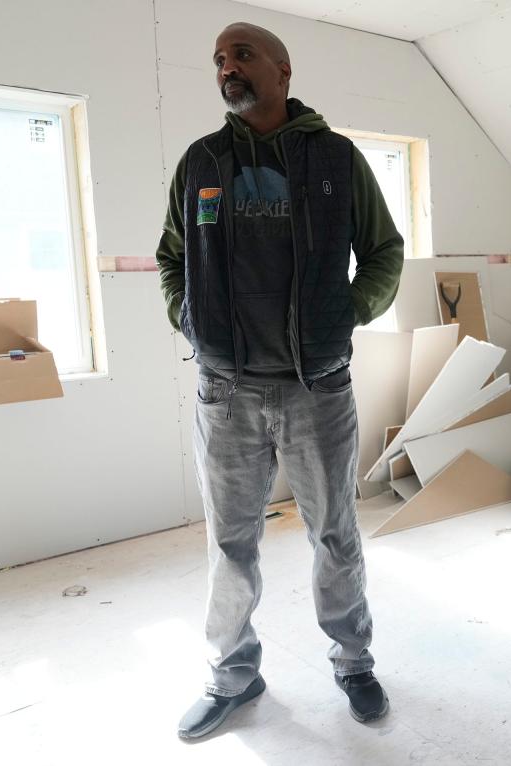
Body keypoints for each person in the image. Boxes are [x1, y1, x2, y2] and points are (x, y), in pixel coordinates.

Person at [155, 21, 404, 740]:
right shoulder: (201, 162)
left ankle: (353, 662)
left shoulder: (334, 159)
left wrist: (346, 314)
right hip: (225, 391)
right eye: (218, 60)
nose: (227, 67)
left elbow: (383, 251)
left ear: (282, 70)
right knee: (230, 542)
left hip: (315, 388)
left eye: (241, 54)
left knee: (334, 534)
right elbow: (172, 257)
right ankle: (233, 673)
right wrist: (189, 317)